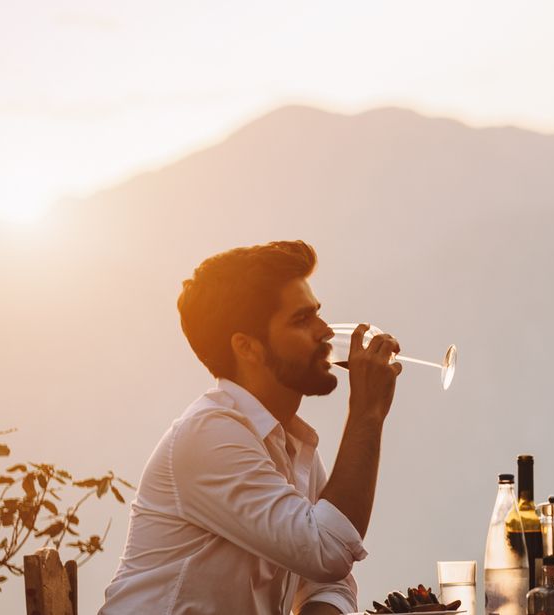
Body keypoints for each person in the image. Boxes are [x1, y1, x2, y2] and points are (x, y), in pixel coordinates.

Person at [101, 240, 404, 615]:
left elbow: (329, 580)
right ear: (248, 347)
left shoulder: (290, 441)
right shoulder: (209, 435)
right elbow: (328, 551)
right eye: (301, 320)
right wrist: (366, 413)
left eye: (318, 314)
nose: (324, 331)